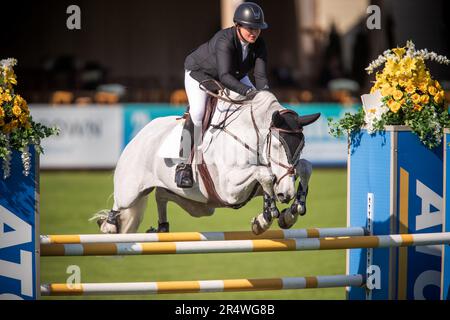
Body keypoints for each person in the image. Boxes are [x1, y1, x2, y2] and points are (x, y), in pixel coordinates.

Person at [175, 2, 270, 188]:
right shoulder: (225, 39)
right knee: (198, 112)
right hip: (200, 73)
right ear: (238, 25)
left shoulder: (259, 44)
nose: (254, 32)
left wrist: (266, 98)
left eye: (258, 28)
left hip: (234, 75)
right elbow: (224, 77)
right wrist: (249, 92)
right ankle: (183, 165)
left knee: (260, 104)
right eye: (250, 27)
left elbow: (260, 76)